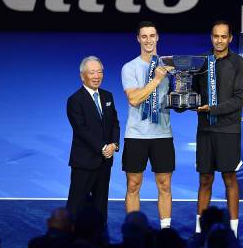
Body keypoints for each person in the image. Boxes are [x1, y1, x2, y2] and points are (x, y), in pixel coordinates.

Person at [192, 20, 243, 237]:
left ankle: (233, 230)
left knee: (229, 178)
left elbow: (238, 100)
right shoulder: (202, 62)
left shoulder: (239, 64)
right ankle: (199, 229)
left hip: (229, 131)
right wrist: (183, 103)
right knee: (205, 179)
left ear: (230, 39)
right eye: (216, 36)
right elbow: (194, 93)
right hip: (205, 130)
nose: (219, 40)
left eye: (224, 37)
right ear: (211, 37)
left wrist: (211, 109)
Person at [121, 21, 175, 229]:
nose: (148, 40)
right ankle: (133, 229)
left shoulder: (169, 66)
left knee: (165, 185)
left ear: (157, 37)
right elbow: (134, 99)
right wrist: (155, 80)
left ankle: (166, 230)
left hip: (162, 134)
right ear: (138, 39)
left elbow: (176, 96)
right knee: (133, 185)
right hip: (136, 135)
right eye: (144, 36)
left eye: (152, 36)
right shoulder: (130, 67)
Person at [66, 56, 120, 226]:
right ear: (83, 76)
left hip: (105, 162)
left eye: (99, 72)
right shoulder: (75, 100)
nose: (97, 76)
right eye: (92, 72)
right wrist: (103, 147)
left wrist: (114, 145)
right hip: (84, 163)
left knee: (100, 205)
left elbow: (114, 123)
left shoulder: (108, 96)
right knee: (76, 206)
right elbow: (81, 129)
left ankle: (100, 241)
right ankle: (68, 241)